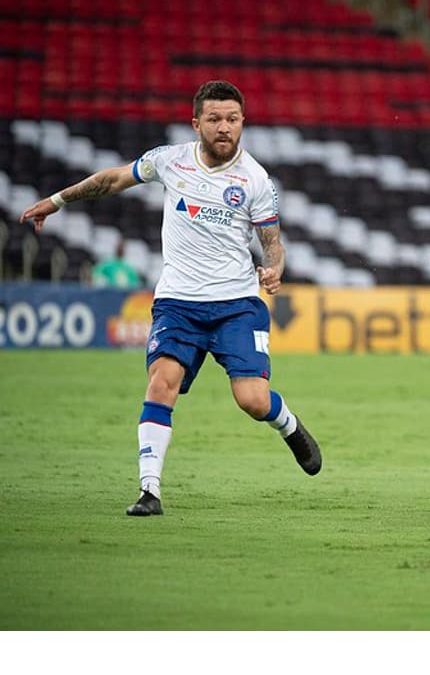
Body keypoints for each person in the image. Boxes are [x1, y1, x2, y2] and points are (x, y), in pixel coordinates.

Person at [20, 80, 322, 517]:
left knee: (252, 400)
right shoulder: (170, 160)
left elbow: (272, 242)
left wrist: (275, 267)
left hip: (236, 303)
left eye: (232, 119)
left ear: (243, 123)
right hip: (178, 303)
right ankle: (149, 491)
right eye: (215, 119)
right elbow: (112, 180)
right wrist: (57, 200)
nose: (224, 128)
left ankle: (289, 427)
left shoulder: (255, 179)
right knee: (162, 384)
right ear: (196, 122)